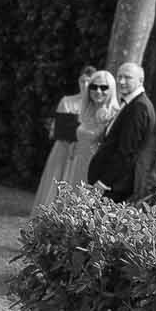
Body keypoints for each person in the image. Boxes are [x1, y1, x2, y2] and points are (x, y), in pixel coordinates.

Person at [32, 65, 116, 212]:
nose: (98, 91)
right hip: (75, 162)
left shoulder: (114, 113)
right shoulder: (86, 110)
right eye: (94, 87)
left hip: (93, 167)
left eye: (104, 87)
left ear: (111, 90)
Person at [87, 62, 156, 204]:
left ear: (141, 80)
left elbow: (126, 152)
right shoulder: (131, 104)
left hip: (114, 186)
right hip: (112, 183)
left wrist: (103, 182)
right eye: (119, 77)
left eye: (127, 77)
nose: (121, 81)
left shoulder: (139, 107)